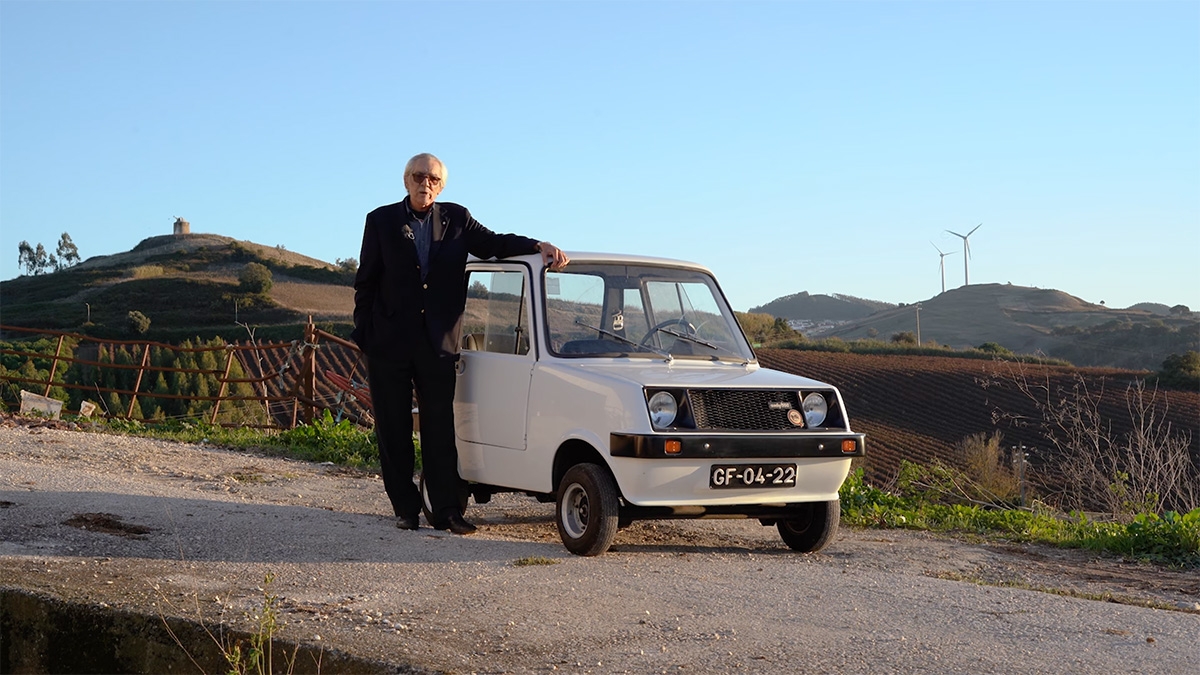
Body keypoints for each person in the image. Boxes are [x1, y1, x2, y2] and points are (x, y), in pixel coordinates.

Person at [351, 153, 568, 535]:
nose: (426, 183)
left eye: (433, 179)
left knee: (440, 429)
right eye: (419, 176)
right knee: (393, 429)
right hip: (388, 345)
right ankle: (405, 509)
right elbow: (365, 281)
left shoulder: (458, 218)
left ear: (442, 186)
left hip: (438, 346)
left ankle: (447, 512)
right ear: (406, 180)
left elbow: (494, 243)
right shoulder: (381, 220)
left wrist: (538, 245)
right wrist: (365, 336)